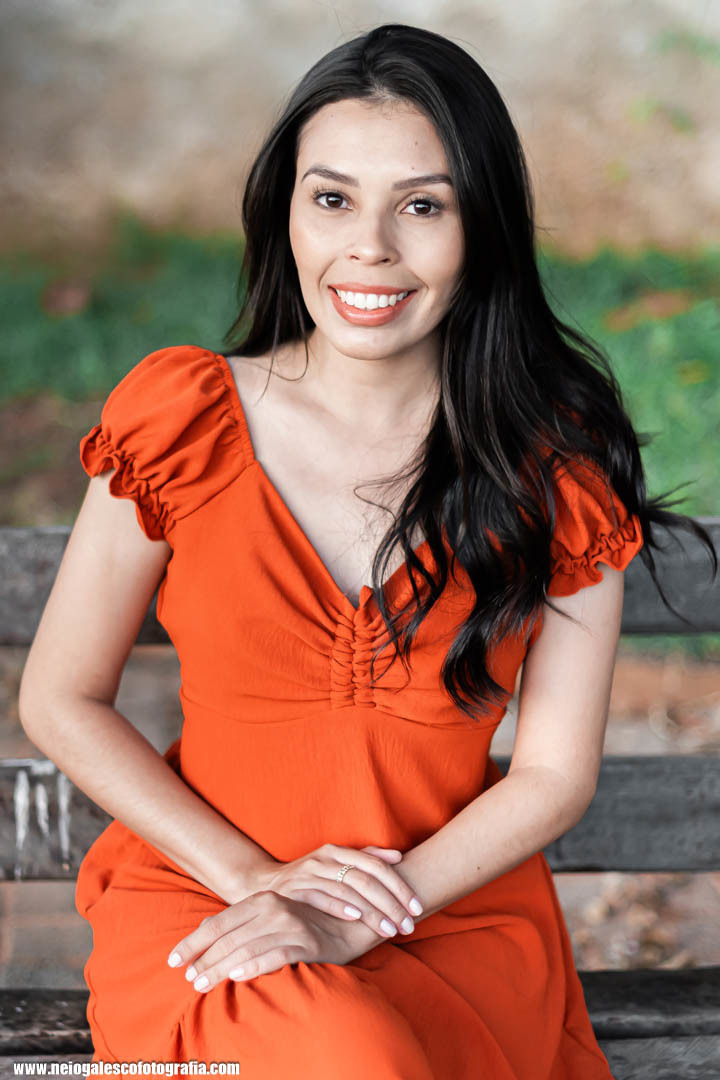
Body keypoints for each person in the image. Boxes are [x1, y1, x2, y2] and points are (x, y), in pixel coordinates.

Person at [18, 22, 716, 1080]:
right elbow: (61, 697)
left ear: (482, 227)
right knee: (348, 1055)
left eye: (423, 206)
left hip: (445, 912)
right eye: (333, 198)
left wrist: (352, 917)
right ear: (285, 212)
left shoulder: (555, 469)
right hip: (214, 900)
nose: (371, 247)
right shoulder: (181, 418)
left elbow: (553, 775)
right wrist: (261, 884)